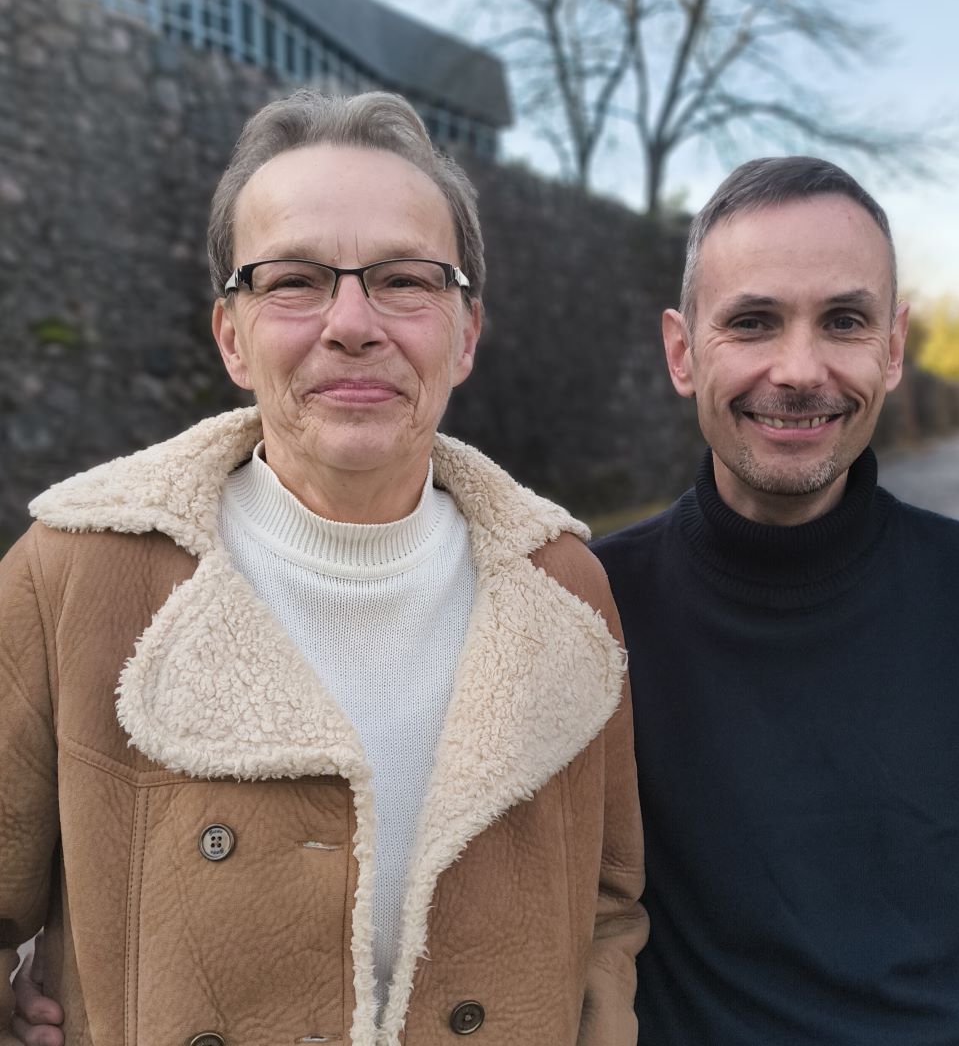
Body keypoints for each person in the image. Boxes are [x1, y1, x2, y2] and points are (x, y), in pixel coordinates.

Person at [1, 89, 646, 1046]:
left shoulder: (564, 590)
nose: (351, 322)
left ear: (465, 332)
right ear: (232, 334)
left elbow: (606, 903)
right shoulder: (74, 576)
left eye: (404, 279)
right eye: (295, 279)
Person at [592, 158, 959, 1045]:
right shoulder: (594, 610)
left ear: (893, 350)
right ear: (681, 350)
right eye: (752, 322)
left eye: (844, 321)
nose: (799, 368)